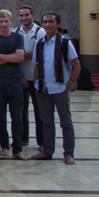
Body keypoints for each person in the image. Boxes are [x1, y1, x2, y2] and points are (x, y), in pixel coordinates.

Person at [31, 12, 80, 165]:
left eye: (51, 22)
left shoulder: (65, 43)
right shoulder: (40, 43)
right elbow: (37, 66)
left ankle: (68, 153)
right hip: (43, 88)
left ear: (58, 24)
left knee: (65, 122)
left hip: (60, 88)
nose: (47, 25)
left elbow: (76, 66)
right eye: (45, 22)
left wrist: (70, 84)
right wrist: (36, 85)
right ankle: (47, 150)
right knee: (46, 122)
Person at [0, 9, 27, 160]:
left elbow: (20, 57)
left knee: (17, 117)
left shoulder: (18, 37)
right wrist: (11, 57)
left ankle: (17, 148)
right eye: (1, 21)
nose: (3, 24)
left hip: (15, 82)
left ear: (11, 22)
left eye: (6, 21)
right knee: (0, 116)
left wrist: (1, 56)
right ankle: (4, 145)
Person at [13, 5, 46, 149]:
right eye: (21, 15)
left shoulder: (40, 32)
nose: (24, 18)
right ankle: (23, 138)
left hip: (37, 78)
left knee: (40, 111)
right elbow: (15, 55)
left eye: (26, 15)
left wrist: (20, 56)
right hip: (21, 78)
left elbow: (39, 53)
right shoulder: (16, 32)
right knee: (21, 111)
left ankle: (42, 141)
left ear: (33, 15)